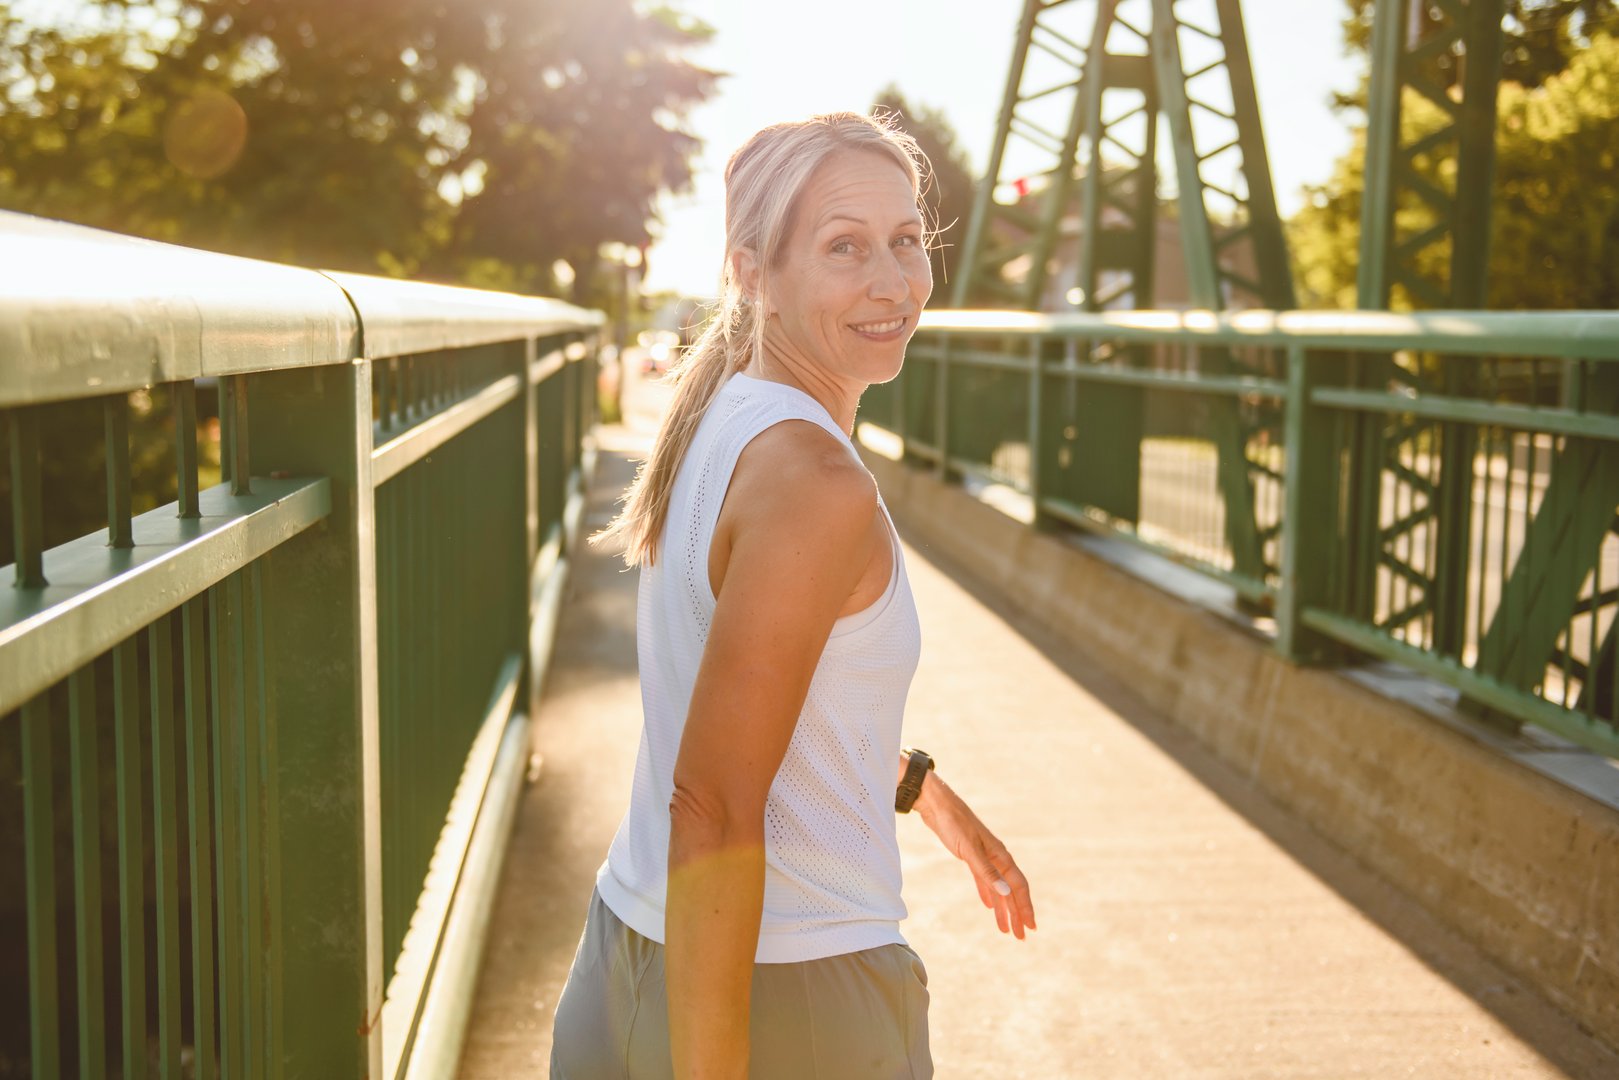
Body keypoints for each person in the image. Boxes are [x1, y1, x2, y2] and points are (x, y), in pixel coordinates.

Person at [553, 111, 1036, 1080]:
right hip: (784, 1002)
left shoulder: (717, 413)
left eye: (906, 242)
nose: (893, 283)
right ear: (751, 273)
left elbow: (744, 689)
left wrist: (910, 784)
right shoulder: (815, 482)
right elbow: (714, 803)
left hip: (623, 963)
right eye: (843, 248)